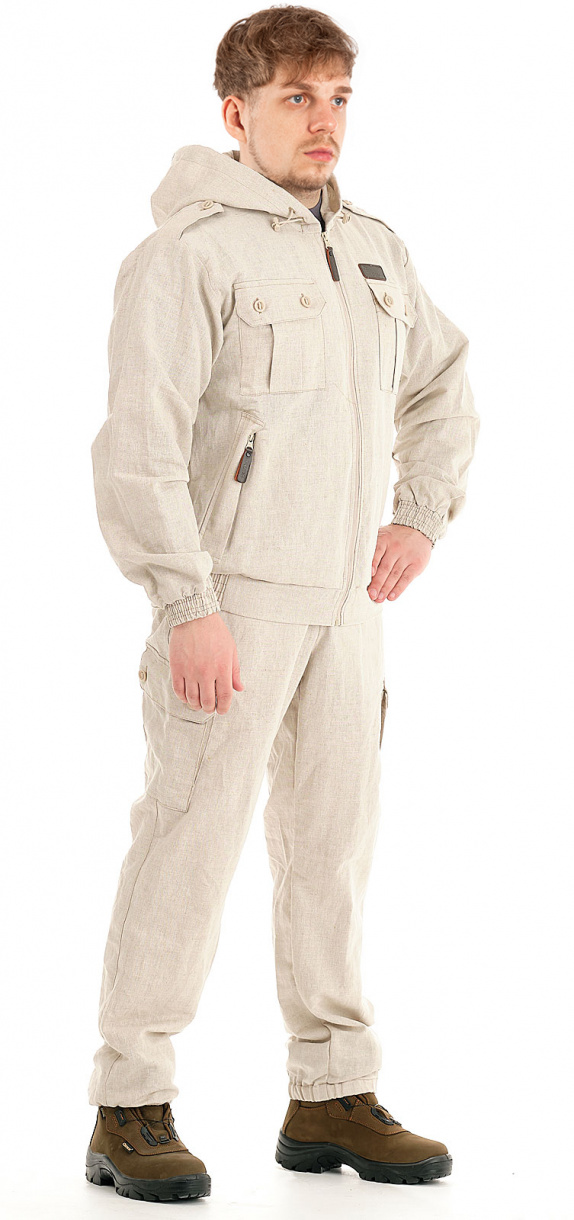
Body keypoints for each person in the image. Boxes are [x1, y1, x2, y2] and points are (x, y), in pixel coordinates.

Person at [86, 5, 479, 1203]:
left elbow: (444, 382)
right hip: (233, 601)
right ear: (236, 111)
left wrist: (419, 513)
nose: (324, 121)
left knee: (332, 848)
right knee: (189, 839)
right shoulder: (187, 256)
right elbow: (139, 447)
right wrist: (186, 600)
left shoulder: (373, 248)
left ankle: (329, 1090)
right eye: (297, 97)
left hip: (345, 606)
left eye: (339, 97)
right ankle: (129, 1101)